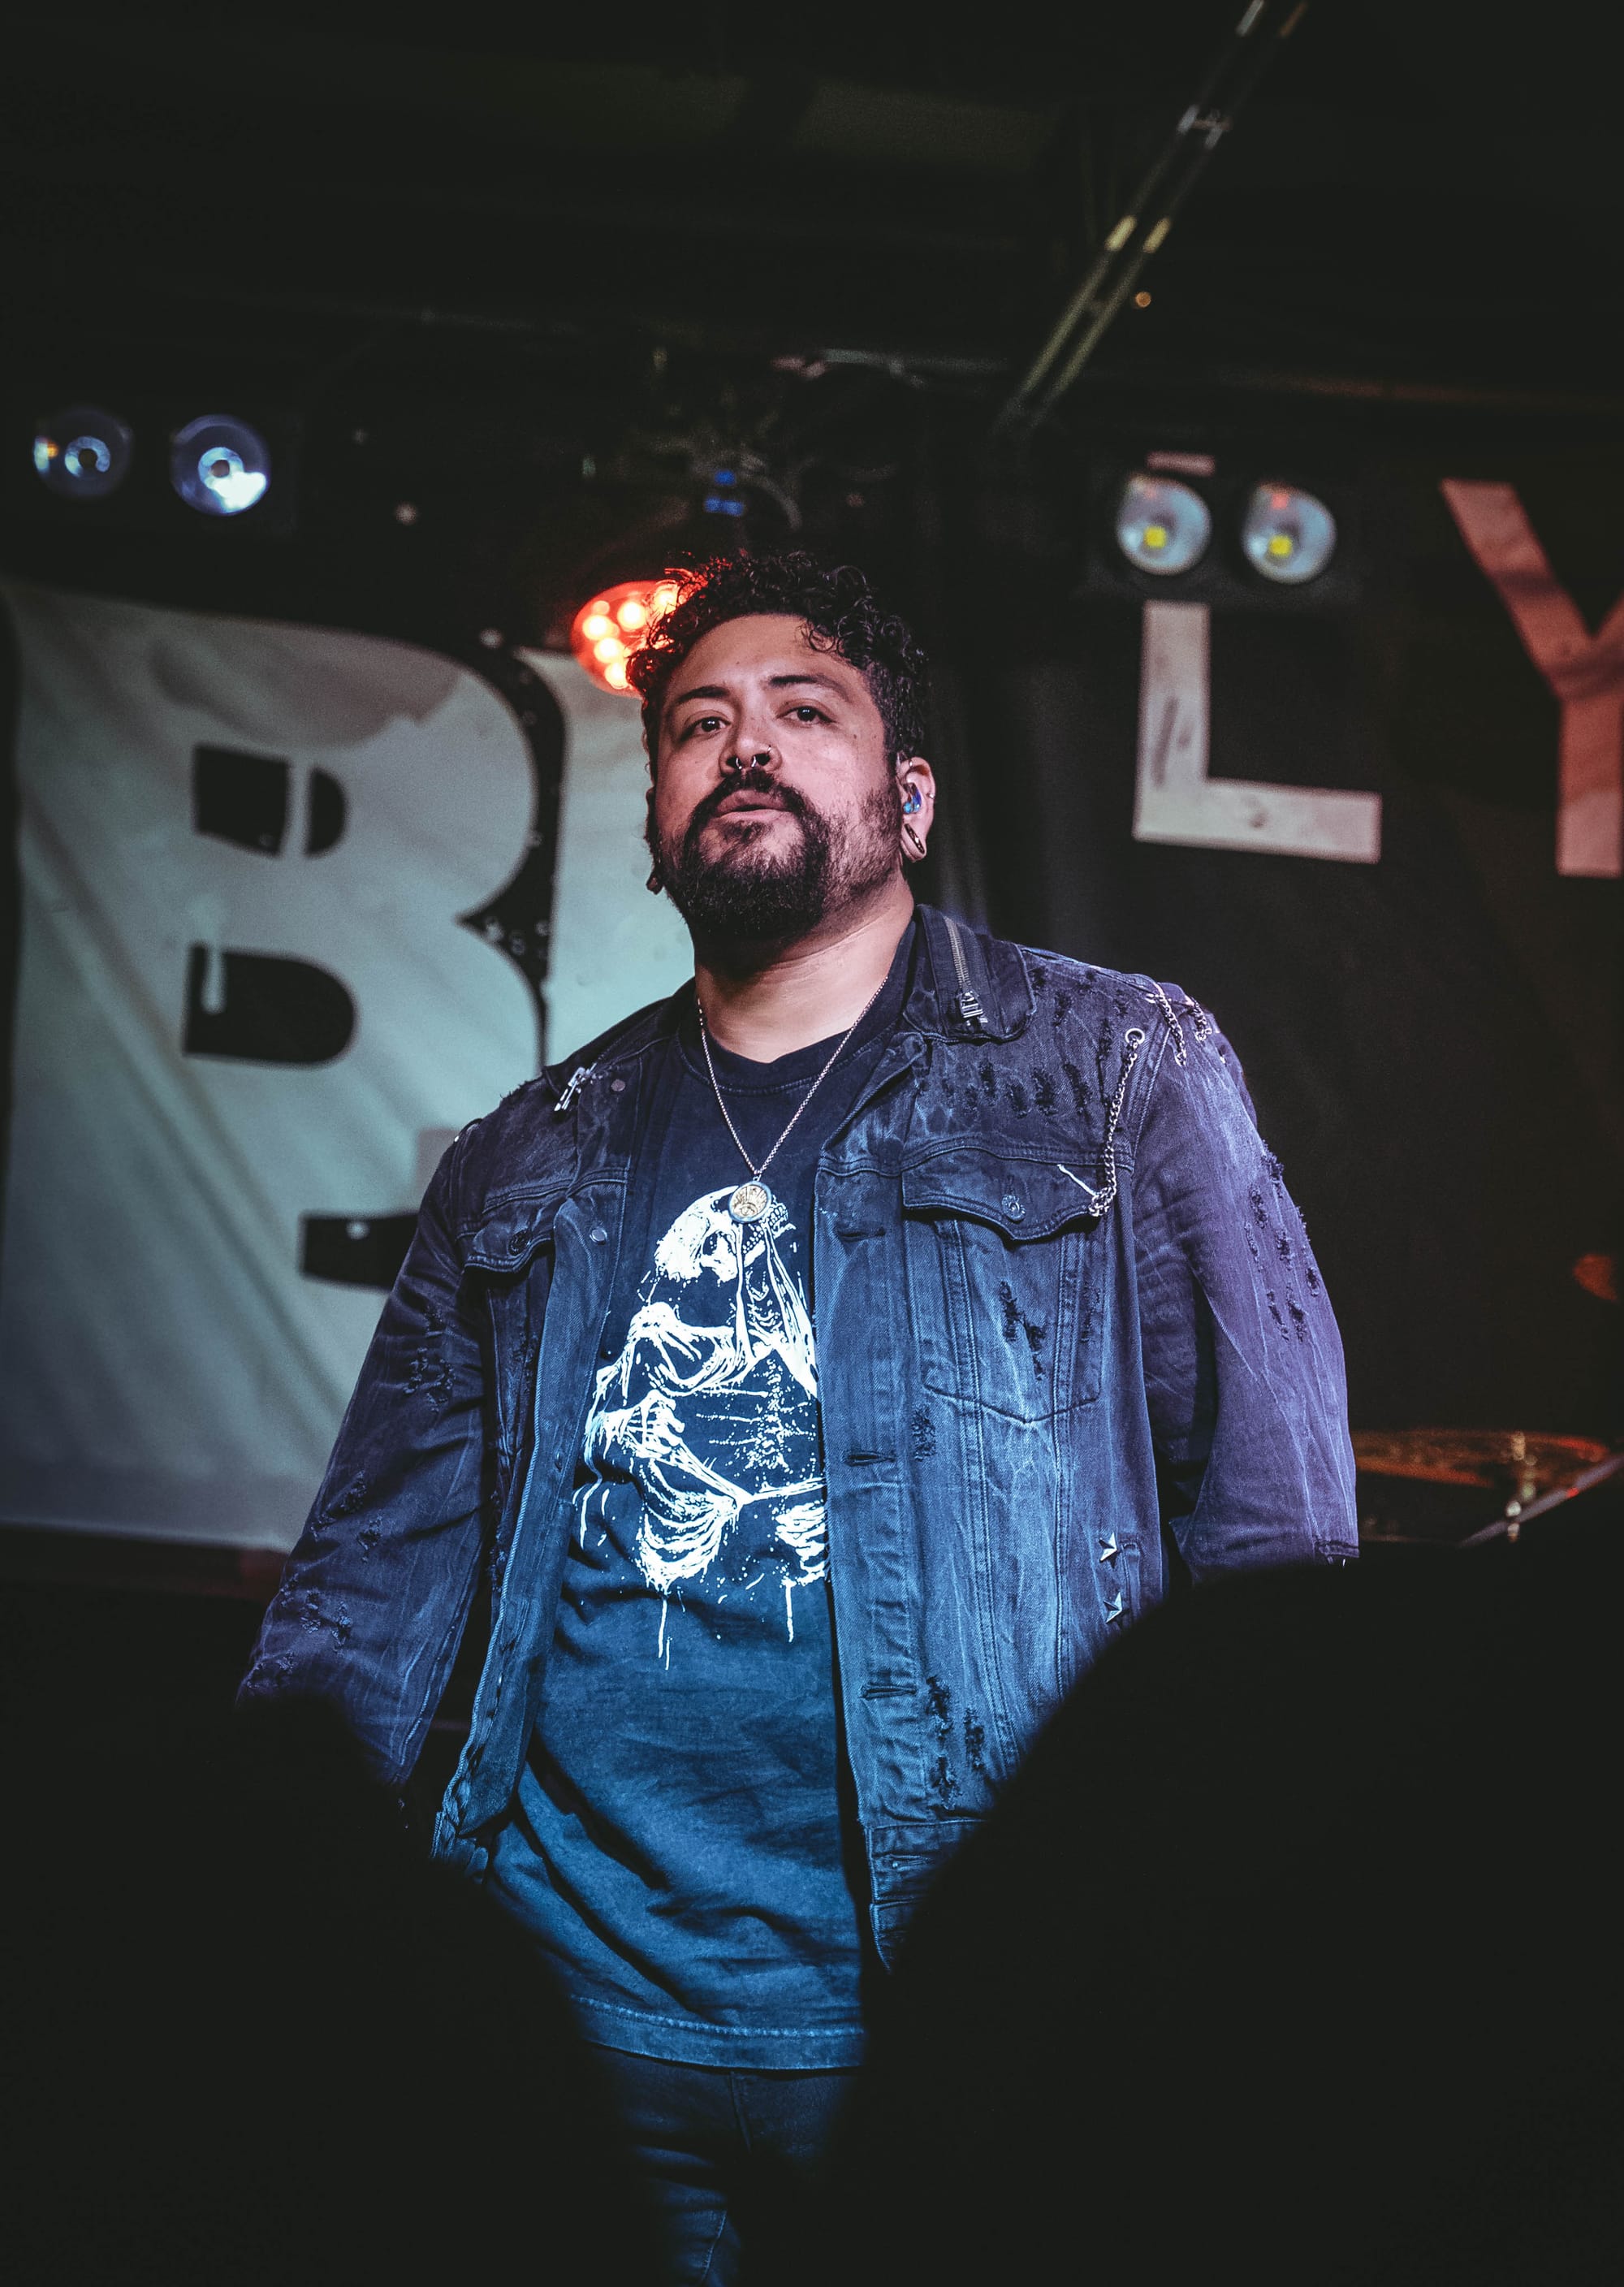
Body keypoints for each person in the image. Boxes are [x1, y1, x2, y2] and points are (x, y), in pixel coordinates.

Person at [240, 550, 1357, 2281]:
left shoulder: (1117, 1068)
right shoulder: (525, 1152)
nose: (744, 746)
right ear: (656, 816)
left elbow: (1278, 1537)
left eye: (803, 711)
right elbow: (371, 1576)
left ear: (909, 799)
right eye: (698, 725)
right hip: (571, 2009)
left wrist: (1229, 1943)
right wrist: (267, 1913)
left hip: (966, 2015)